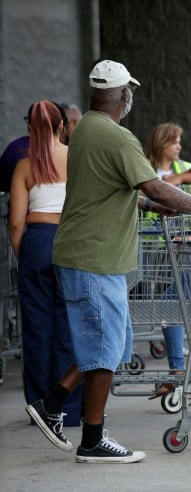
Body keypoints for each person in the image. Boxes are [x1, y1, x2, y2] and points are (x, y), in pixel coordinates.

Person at [25, 59, 191, 464]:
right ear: (123, 95)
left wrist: (145, 204)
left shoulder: (85, 128)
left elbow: (108, 188)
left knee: (114, 342)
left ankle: (52, 402)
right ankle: (92, 439)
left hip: (90, 254)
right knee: (105, 346)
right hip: (96, 258)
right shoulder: (117, 137)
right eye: (130, 92)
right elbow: (158, 185)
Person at [9, 100, 83, 427]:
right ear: (63, 126)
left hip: (36, 241)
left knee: (37, 328)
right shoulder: (77, 158)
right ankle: (69, 408)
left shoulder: (25, 166)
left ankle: (39, 408)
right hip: (71, 238)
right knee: (71, 325)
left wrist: (22, 253)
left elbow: (15, 223)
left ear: (30, 130)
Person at [143, 122, 191, 399]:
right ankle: (176, 366)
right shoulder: (146, 171)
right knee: (169, 301)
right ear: (161, 144)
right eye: (174, 142)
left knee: (171, 303)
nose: (178, 147)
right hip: (156, 246)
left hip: (181, 245)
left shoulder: (185, 170)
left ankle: (177, 367)